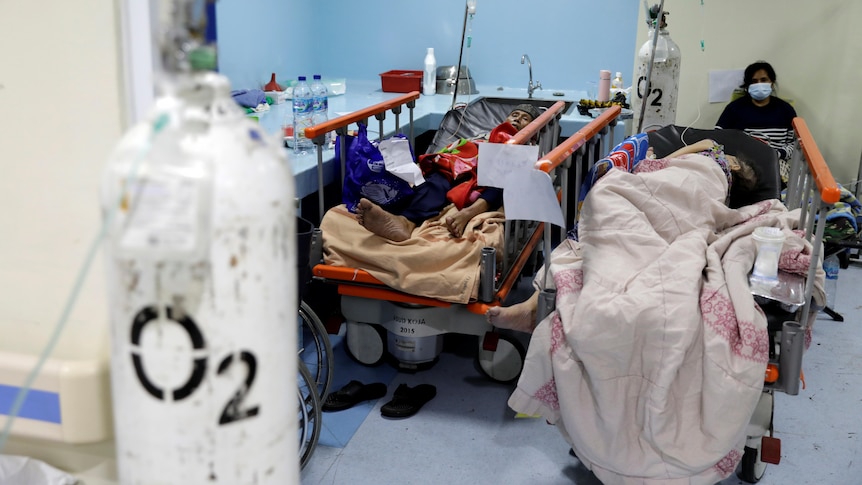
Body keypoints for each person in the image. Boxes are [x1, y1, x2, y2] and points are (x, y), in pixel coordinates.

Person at [487, 137, 758, 332]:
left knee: (592, 243)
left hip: (688, 192)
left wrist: (658, 162)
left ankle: (541, 303)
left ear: (734, 168)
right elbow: (668, 164)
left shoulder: (717, 167)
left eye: (734, 162)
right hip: (658, 185)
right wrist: (653, 165)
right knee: (596, 223)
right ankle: (534, 306)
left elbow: (683, 171)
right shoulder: (714, 158)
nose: (731, 160)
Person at [356, 104, 542, 242]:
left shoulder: (528, 149)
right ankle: (404, 222)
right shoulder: (485, 136)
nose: (517, 118)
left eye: (525, 118)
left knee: (504, 179)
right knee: (436, 181)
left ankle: (467, 214)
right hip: (462, 171)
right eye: (514, 114)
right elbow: (457, 151)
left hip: (490, 180)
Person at [715, 61, 797, 186]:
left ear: (772, 82)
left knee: (774, 180)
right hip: (743, 160)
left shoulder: (785, 110)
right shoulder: (735, 109)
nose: (759, 84)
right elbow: (718, 137)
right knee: (742, 179)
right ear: (747, 86)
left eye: (764, 80)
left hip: (776, 160)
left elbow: (795, 143)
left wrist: (778, 153)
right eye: (754, 81)